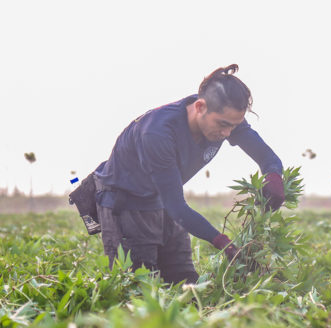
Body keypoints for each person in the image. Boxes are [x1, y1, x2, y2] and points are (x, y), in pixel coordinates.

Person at [93, 64, 285, 284]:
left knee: (186, 284)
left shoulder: (226, 117)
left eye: (234, 126)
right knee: (139, 288)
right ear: (200, 107)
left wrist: (273, 175)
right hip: (127, 207)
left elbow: (266, 156)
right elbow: (177, 206)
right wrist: (223, 242)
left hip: (163, 203)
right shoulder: (158, 133)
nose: (227, 133)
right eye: (222, 125)